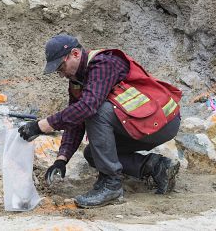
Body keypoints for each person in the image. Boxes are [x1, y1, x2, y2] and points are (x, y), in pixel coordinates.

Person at [18, 34, 182, 208]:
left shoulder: (102, 63)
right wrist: (62, 159)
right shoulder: (77, 80)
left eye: (61, 67)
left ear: (74, 54)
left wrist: (41, 126)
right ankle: (156, 167)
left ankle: (111, 185)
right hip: (144, 123)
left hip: (162, 121)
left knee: (96, 112)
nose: (61, 74)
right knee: (93, 154)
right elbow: (75, 120)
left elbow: (88, 107)